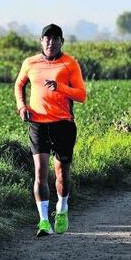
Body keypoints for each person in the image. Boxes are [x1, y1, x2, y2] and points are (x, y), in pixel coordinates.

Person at [14, 24, 87, 237]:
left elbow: (81, 95)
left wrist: (60, 87)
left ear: (61, 42)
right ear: (41, 40)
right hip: (38, 123)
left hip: (63, 123)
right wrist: (21, 106)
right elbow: (19, 85)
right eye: (47, 39)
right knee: (40, 172)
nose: (50, 43)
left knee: (62, 173)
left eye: (55, 39)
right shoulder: (30, 62)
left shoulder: (69, 64)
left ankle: (62, 209)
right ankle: (44, 221)